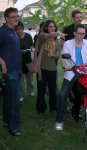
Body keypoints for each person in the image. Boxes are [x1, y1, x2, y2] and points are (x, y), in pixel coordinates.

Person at [55, 24, 87, 131]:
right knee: (62, 95)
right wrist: (65, 65)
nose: (81, 36)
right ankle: (59, 121)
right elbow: (64, 57)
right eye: (79, 33)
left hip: (86, 72)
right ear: (74, 33)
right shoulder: (68, 43)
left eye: (83, 34)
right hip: (72, 72)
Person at [0, 7, 22, 136]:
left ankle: (7, 121)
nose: (16, 18)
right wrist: (2, 62)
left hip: (17, 68)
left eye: (17, 16)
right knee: (15, 99)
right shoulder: (2, 31)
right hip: (9, 70)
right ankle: (14, 127)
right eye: (13, 17)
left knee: (8, 97)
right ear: (7, 18)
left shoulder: (13, 31)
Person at [35, 20, 63, 114]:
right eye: (50, 27)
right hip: (42, 68)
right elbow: (49, 35)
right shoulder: (42, 36)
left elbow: (58, 55)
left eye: (54, 27)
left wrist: (53, 56)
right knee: (41, 90)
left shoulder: (57, 42)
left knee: (52, 90)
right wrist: (59, 33)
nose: (52, 28)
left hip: (52, 69)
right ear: (46, 28)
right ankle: (41, 109)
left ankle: (53, 108)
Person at [15, 21, 34, 102]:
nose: (19, 31)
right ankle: (22, 94)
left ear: (23, 29)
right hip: (18, 61)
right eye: (17, 29)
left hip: (28, 60)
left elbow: (31, 46)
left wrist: (30, 49)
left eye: (20, 29)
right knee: (21, 79)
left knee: (29, 78)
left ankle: (31, 91)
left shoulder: (28, 36)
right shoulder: (14, 37)